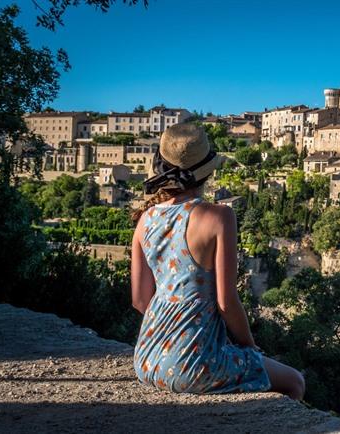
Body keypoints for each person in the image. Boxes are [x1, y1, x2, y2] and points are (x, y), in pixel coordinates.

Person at [130, 123, 304, 399]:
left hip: (147, 358)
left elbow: (140, 300)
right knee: (294, 382)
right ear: (207, 171)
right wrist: (249, 346)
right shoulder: (219, 217)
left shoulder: (145, 219)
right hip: (192, 366)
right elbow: (226, 302)